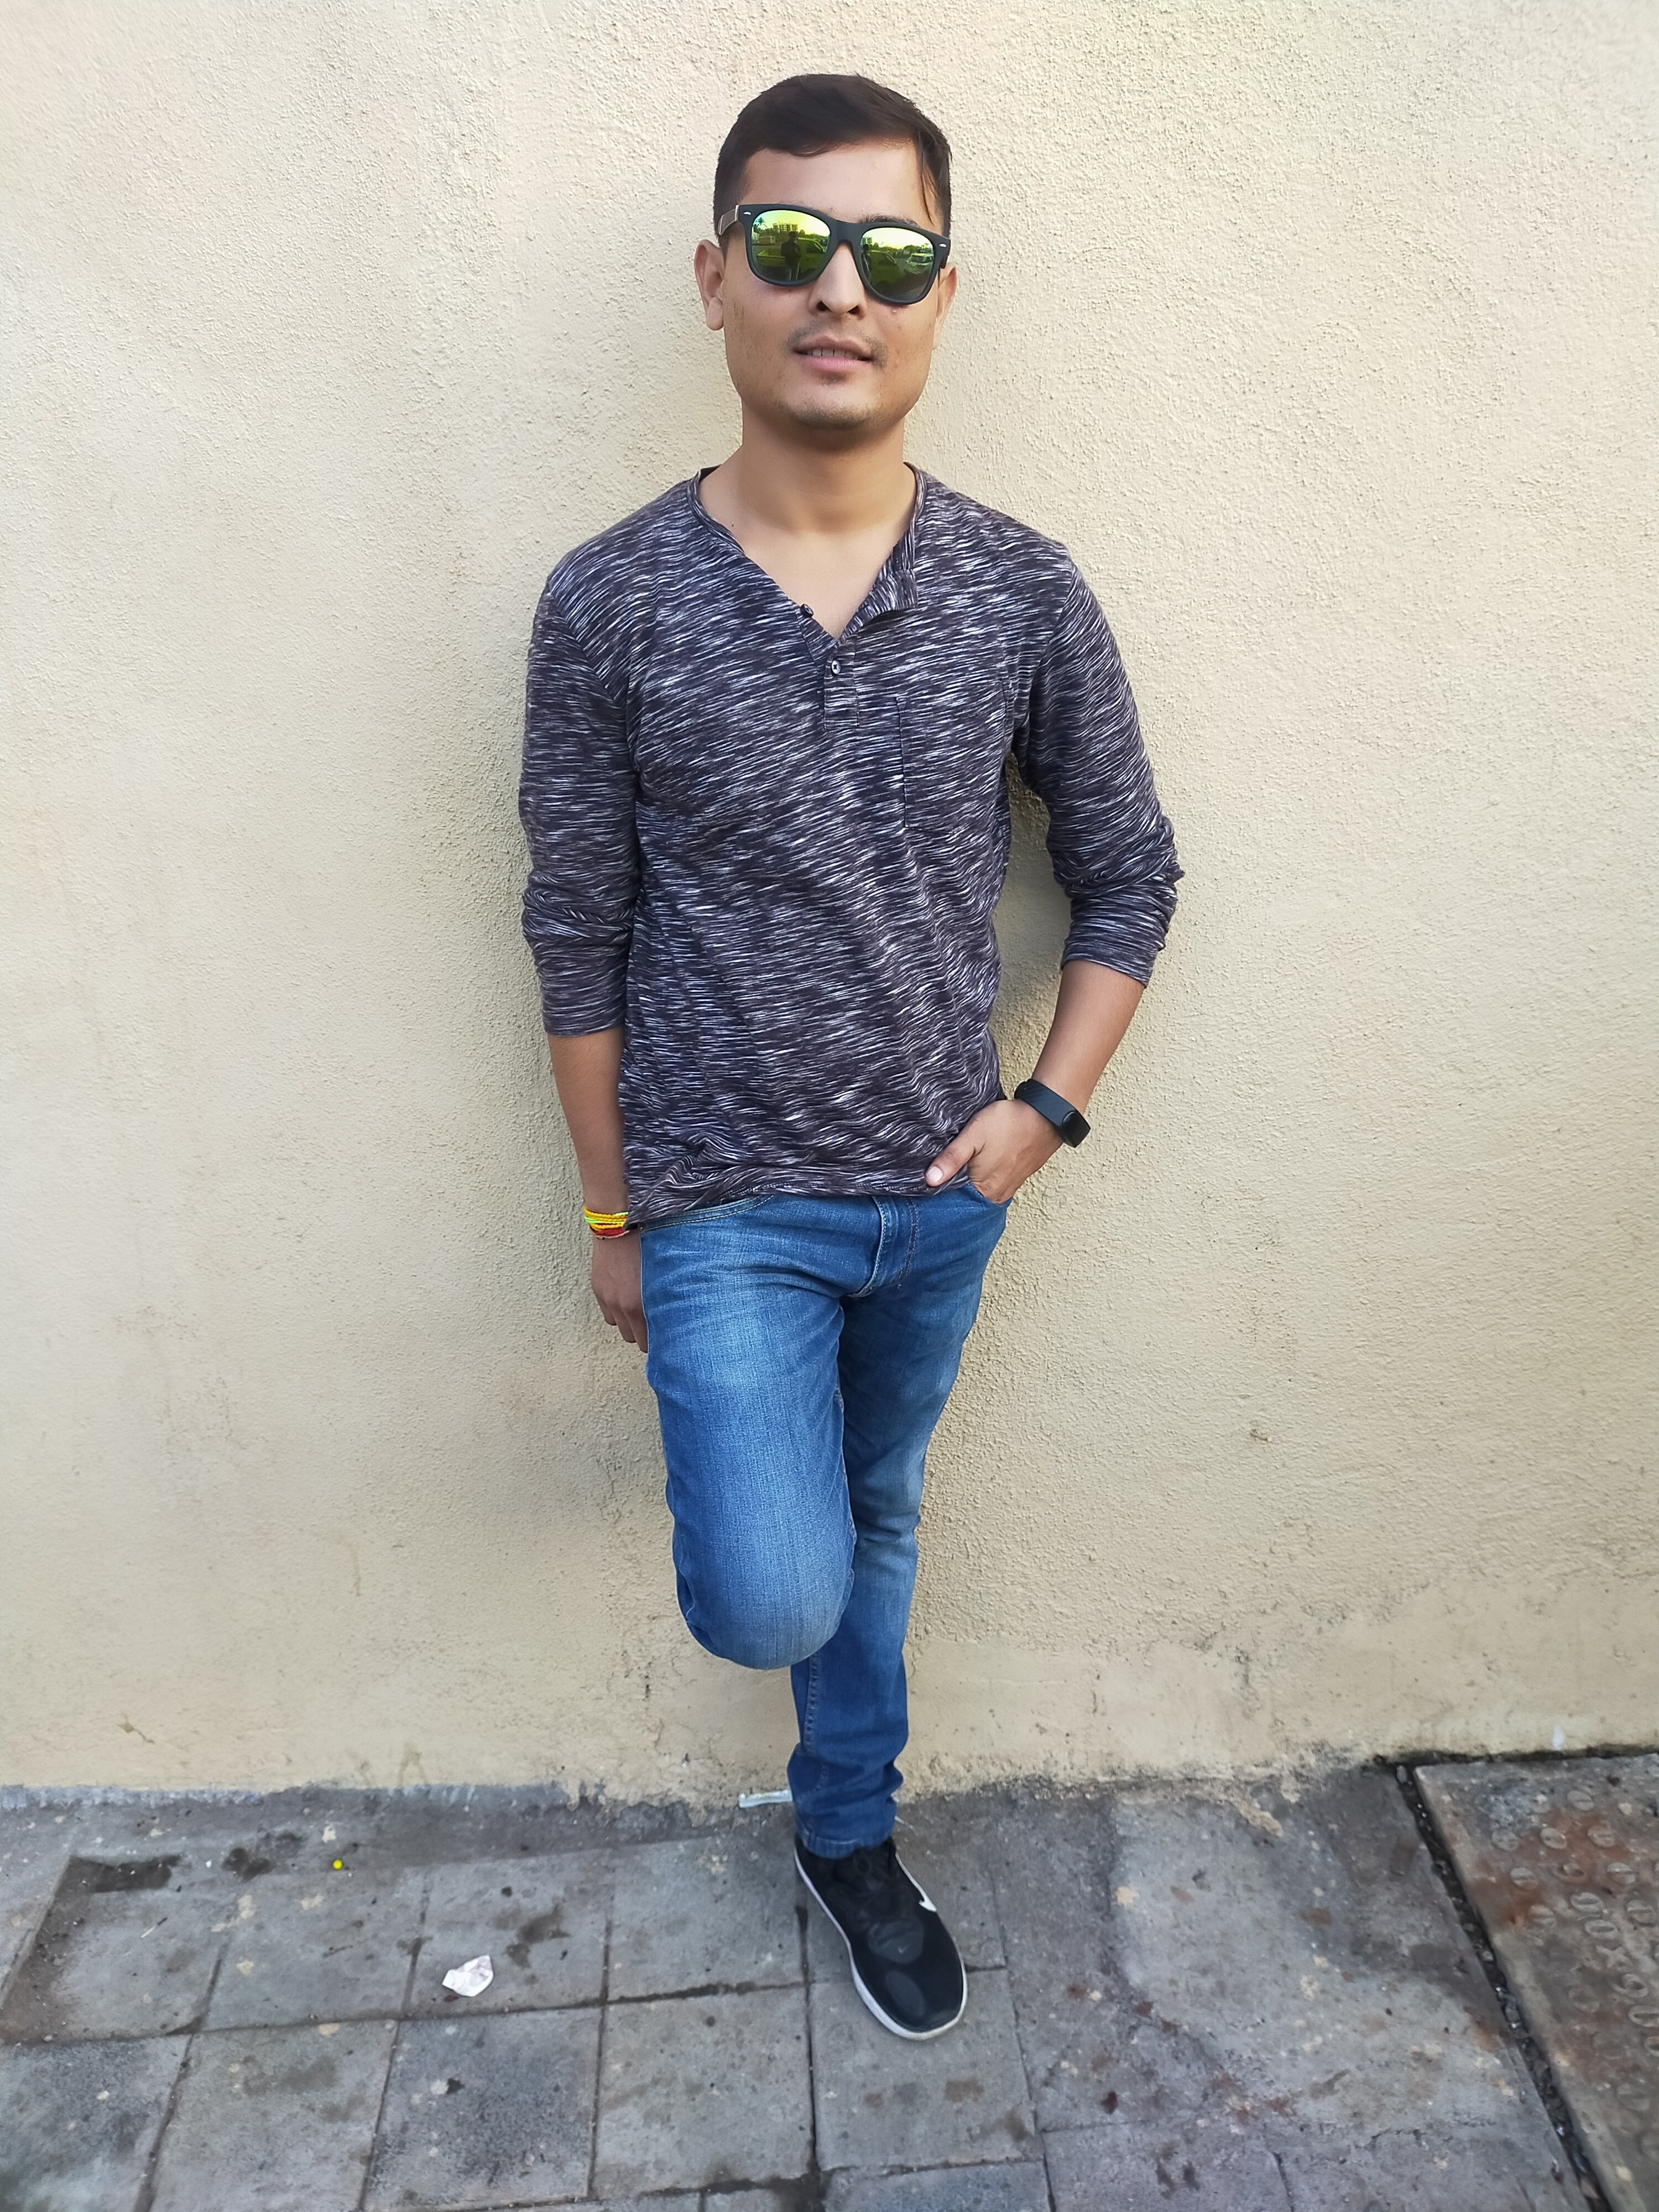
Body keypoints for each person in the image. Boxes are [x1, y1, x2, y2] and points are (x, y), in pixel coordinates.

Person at [518, 74, 1180, 2041]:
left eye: (892, 255)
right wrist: (614, 1216)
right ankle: (826, 1756)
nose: (842, 292)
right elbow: (576, 928)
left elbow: (1132, 875)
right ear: (717, 276)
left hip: (942, 1195)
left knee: (884, 1516)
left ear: (942, 294)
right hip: (721, 1207)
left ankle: (847, 1831)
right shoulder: (612, 598)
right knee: (775, 1590)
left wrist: (1045, 1111)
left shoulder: (1023, 589)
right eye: (794, 244)